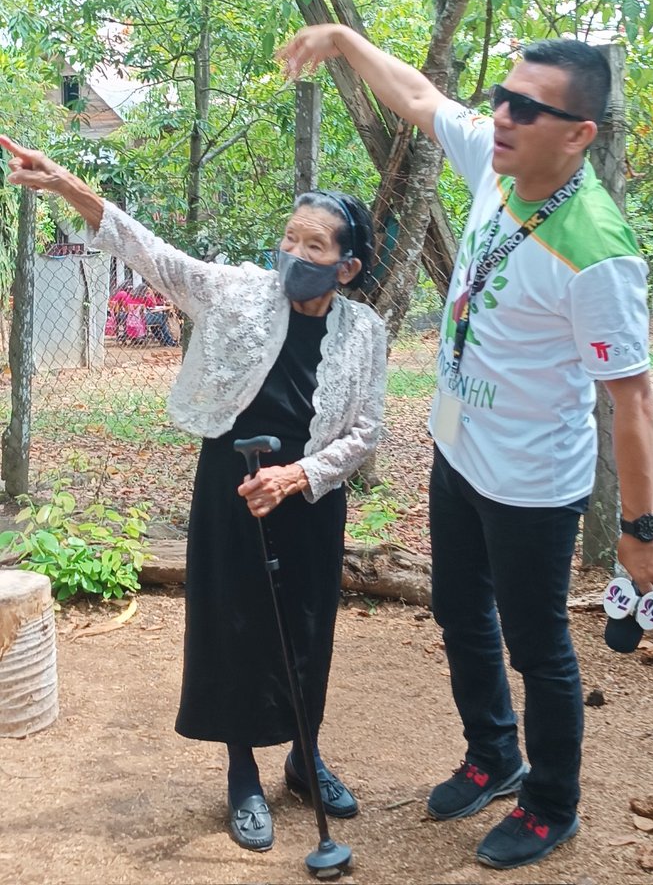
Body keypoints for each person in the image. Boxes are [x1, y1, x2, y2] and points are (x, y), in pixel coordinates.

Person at [278, 25, 653, 872]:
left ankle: (551, 803)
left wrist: (640, 525)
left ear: (578, 136)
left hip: (532, 481)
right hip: (459, 449)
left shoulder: (597, 250)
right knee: (460, 613)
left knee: (538, 648)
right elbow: (419, 99)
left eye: (528, 109)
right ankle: (495, 755)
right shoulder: (498, 165)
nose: (501, 115)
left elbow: (632, 398)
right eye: (502, 96)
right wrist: (346, 40)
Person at [0, 133, 386, 855]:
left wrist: (301, 475)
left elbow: (366, 429)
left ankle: (306, 759)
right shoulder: (238, 290)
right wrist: (67, 186)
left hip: (308, 497)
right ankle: (242, 775)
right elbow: (150, 251)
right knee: (234, 623)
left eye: (314, 246)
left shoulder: (364, 329)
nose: (293, 255)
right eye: (289, 238)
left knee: (308, 628)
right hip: (232, 486)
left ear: (348, 265)